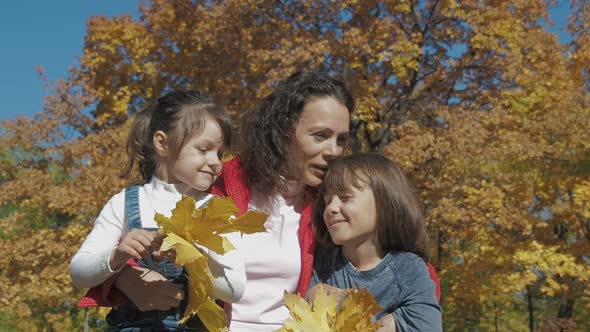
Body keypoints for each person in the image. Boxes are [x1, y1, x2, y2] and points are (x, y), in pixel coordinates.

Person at [84, 71, 441, 330]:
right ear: (283, 130)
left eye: (341, 140)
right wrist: (124, 281)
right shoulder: (217, 185)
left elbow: (410, 273)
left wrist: (392, 322)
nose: (333, 152)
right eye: (320, 136)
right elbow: (133, 231)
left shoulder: (330, 211)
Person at [70, 89, 246, 331]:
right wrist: (117, 256)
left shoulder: (216, 211)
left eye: (220, 153)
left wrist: (194, 259)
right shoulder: (125, 202)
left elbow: (235, 288)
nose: (216, 161)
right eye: (203, 149)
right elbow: (79, 272)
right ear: (162, 143)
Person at [309, 153, 442, 331]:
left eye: (345, 197)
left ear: (384, 203)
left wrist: (349, 307)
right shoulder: (323, 261)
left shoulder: (408, 268)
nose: (331, 208)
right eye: (327, 201)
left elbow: (427, 326)